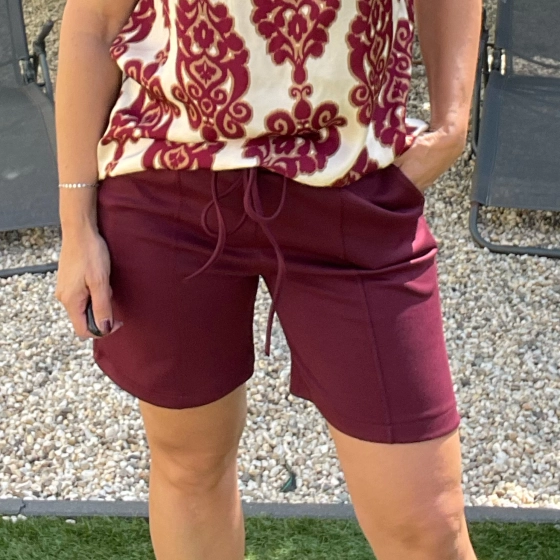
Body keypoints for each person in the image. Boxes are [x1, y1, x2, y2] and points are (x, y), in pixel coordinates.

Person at [55, 1, 481, 558]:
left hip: (353, 182)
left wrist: (451, 124)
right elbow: (95, 22)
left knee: (427, 524)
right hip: (166, 185)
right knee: (188, 465)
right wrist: (77, 224)